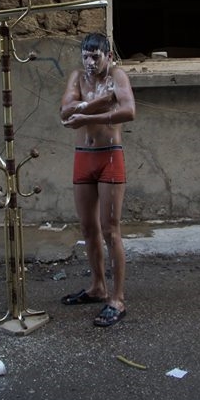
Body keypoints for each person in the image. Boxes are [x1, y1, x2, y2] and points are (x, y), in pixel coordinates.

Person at [59, 32, 136, 327]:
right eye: (86, 56)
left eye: (96, 56)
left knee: (110, 229)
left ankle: (117, 298)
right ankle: (97, 287)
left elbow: (128, 111)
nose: (90, 62)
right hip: (83, 157)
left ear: (109, 56)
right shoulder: (78, 77)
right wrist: (102, 103)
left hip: (110, 157)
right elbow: (65, 112)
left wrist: (87, 113)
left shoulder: (117, 75)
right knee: (88, 228)